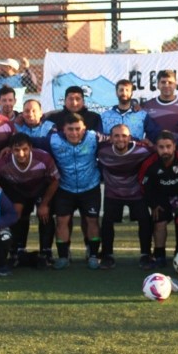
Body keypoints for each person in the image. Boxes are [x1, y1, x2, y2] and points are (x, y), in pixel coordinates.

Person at [46, 113, 107, 270]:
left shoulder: (94, 137)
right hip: (65, 188)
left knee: (92, 221)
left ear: (84, 128)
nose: (74, 133)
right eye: (70, 129)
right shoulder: (53, 139)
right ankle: (63, 256)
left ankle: (93, 255)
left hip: (90, 187)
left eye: (78, 129)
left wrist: (145, 143)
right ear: (63, 130)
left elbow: (117, 138)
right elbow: (31, 142)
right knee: (61, 221)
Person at [0, 133, 59, 268]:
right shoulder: (1, 163)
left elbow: (55, 180)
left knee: (45, 215)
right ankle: (16, 251)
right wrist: (1, 195)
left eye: (25, 149)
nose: (21, 154)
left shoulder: (44, 158)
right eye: (16, 150)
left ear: (31, 148)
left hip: (40, 188)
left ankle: (46, 252)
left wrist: (44, 204)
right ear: (10, 150)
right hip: (17, 189)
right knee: (15, 215)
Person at [98, 124, 155, 269]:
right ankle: (107, 255)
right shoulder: (101, 150)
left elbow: (159, 151)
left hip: (136, 193)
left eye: (124, 136)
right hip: (113, 193)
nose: (120, 139)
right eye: (116, 136)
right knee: (107, 222)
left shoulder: (142, 150)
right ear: (110, 138)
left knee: (145, 220)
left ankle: (145, 255)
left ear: (130, 137)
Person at [139, 130, 178, 269]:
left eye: (168, 146)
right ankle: (159, 256)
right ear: (156, 148)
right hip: (161, 199)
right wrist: (153, 205)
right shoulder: (149, 164)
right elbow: (144, 186)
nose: (165, 150)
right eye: (161, 147)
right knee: (159, 221)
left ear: (174, 146)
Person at [142, 69, 178, 140]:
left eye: (170, 82)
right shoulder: (147, 106)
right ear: (158, 85)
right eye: (163, 82)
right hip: (153, 150)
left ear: (175, 85)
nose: (166, 85)